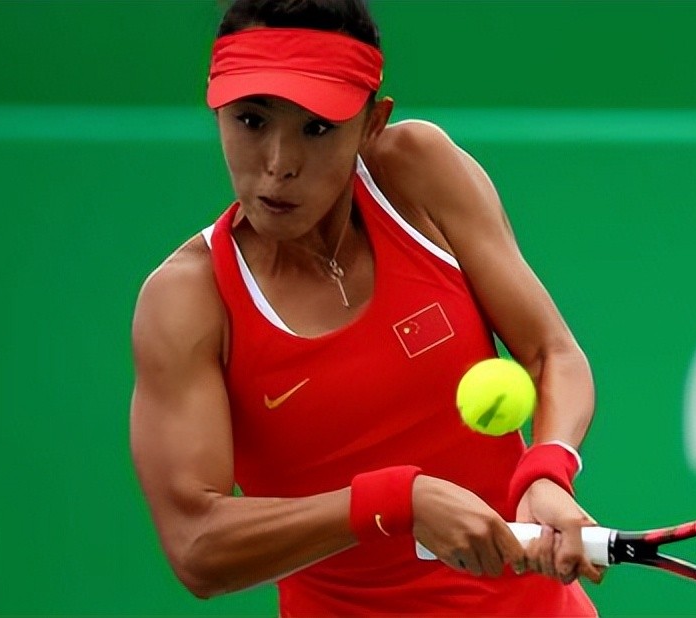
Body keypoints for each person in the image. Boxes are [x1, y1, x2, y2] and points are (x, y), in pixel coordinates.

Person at [128, 0, 601, 615]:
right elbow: (196, 546)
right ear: (216, 108)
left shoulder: (417, 174)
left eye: (317, 128)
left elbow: (552, 353)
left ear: (373, 123)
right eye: (251, 120)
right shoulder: (188, 300)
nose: (279, 164)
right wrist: (395, 502)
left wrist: (547, 469)